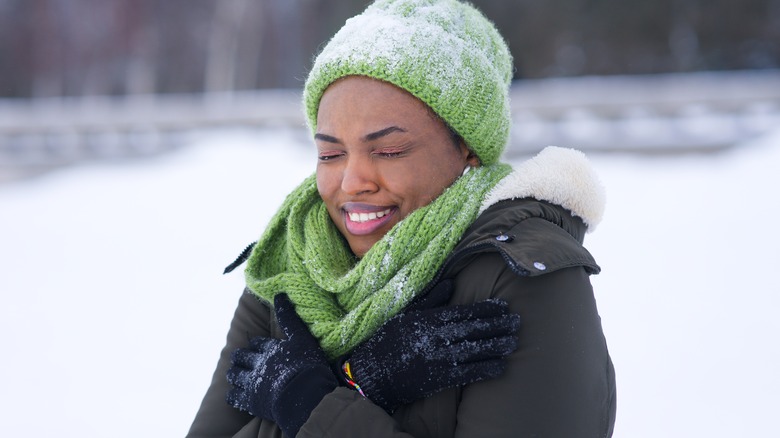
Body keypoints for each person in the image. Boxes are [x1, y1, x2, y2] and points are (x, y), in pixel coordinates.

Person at [187, 0, 616, 437]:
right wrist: (358, 382)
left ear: (468, 148)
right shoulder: (287, 271)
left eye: (388, 151)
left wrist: (317, 406)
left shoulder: (522, 275)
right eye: (330, 154)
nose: (352, 182)